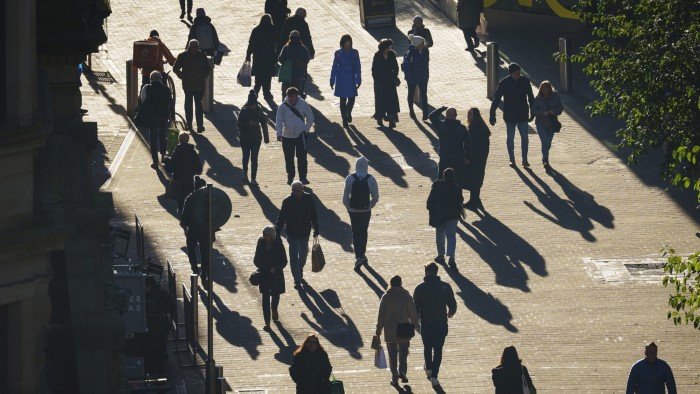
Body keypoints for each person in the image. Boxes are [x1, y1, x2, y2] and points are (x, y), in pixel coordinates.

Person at [413, 262, 456, 387]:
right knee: (438, 350)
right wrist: (450, 312)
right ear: (436, 272)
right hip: (441, 324)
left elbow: (415, 308)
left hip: (426, 324)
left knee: (427, 347)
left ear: (426, 272)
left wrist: (415, 322)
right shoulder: (445, 286)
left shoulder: (420, 288)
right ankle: (434, 375)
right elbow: (452, 304)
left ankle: (429, 368)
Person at [375, 275, 420, 386]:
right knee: (403, 352)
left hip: (390, 331)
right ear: (400, 283)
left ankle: (394, 377)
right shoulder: (406, 296)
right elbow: (413, 314)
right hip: (404, 329)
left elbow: (381, 315)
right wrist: (417, 327)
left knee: (392, 354)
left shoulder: (386, 297)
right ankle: (403, 371)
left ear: (390, 284)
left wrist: (378, 329)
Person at [489, 63, 535, 167]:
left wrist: (533, 111)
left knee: (525, 137)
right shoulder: (504, 83)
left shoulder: (525, 81)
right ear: (511, 73)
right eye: (516, 72)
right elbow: (496, 98)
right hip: (510, 115)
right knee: (510, 138)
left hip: (522, 113)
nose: (519, 74)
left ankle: (524, 159)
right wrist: (492, 113)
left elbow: (531, 97)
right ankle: (512, 159)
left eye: (519, 72)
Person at [275, 181, 319, 290]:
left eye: (300, 191)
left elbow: (314, 214)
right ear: (292, 191)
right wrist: (277, 233)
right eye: (296, 191)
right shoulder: (287, 201)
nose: (298, 193)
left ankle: (299, 269)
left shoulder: (308, 199)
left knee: (303, 254)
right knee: (294, 256)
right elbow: (281, 218)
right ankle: (297, 280)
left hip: (305, 232)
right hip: (292, 233)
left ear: (303, 190)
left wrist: (316, 229)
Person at [342, 157, 379, 270]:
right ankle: (361, 254)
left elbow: (345, 197)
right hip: (365, 211)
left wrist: (349, 208)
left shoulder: (350, 178)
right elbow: (376, 197)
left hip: (353, 211)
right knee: (363, 232)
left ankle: (358, 256)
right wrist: (369, 206)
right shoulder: (371, 179)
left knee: (355, 232)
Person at [276, 87, 315, 185]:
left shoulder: (303, 104)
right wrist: (279, 134)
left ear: (297, 96)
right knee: (289, 158)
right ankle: (290, 177)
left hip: (300, 135)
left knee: (302, 157)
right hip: (287, 136)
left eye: (294, 97)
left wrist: (305, 130)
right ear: (287, 96)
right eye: (290, 97)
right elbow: (279, 121)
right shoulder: (282, 107)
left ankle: (303, 178)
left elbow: (310, 117)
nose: (292, 99)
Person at [427, 168, 464, 269]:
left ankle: (441, 255)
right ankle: (451, 257)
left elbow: (430, 201)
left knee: (440, 235)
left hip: (439, 215)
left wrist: (431, 209)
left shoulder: (437, 186)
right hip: (452, 216)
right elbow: (460, 200)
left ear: (443, 176)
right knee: (451, 237)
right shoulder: (456, 187)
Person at [254, 226, 287, 331]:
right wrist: (262, 267)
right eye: (264, 235)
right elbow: (256, 260)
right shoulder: (261, 244)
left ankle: (274, 309)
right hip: (264, 275)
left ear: (272, 236)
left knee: (276, 295)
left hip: (276, 275)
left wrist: (275, 268)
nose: (265, 237)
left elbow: (284, 261)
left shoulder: (278, 244)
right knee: (265, 299)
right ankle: (267, 323)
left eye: (267, 235)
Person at [139, 71, 175, 168]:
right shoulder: (166, 89)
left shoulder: (147, 88)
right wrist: (173, 117)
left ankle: (155, 161)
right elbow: (171, 104)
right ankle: (163, 155)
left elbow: (142, 101)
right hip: (163, 116)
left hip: (151, 117)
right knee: (163, 135)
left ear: (151, 79)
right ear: (160, 79)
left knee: (153, 138)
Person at [173, 39, 210, 133]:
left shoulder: (202, 55)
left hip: (199, 85)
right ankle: (189, 125)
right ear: (189, 47)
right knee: (189, 104)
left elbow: (208, 68)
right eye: (193, 47)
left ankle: (200, 125)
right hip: (188, 85)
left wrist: (203, 76)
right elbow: (175, 68)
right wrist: (182, 76)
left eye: (196, 47)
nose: (195, 49)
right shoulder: (183, 56)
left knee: (198, 104)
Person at [428, 106, 471, 184]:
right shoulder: (462, 128)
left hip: (444, 158)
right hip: (458, 158)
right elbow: (468, 143)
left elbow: (431, 116)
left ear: (446, 116)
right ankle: (457, 195)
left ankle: (442, 195)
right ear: (456, 115)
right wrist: (467, 156)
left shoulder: (441, 126)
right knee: (458, 181)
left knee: (441, 181)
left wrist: (442, 108)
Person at [237, 90, 270, 186]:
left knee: (254, 158)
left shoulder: (259, 110)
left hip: (256, 138)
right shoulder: (243, 111)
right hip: (244, 139)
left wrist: (266, 138)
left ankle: (253, 178)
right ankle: (245, 175)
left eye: (254, 104)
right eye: (251, 105)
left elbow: (264, 123)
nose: (253, 106)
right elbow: (239, 124)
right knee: (245, 157)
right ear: (248, 103)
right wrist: (248, 124)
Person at [181, 176, 210, 280]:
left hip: (193, 228)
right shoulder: (209, 199)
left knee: (191, 248)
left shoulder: (190, 198)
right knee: (205, 251)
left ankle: (194, 268)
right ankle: (205, 272)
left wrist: (185, 227)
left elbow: (184, 216)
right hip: (205, 230)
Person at [142, 276, 172, 374]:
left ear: (149, 286)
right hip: (162, 325)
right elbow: (169, 307)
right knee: (159, 345)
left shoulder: (146, 296)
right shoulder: (161, 292)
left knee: (153, 344)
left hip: (155, 326)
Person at [531, 80, 563, 169]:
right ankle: (545, 159)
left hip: (552, 123)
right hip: (541, 123)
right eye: (543, 89)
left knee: (548, 143)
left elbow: (560, 108)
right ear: (541, 90)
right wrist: (542, 113)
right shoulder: (537, 98)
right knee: (544, 141)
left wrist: (554, 111)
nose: (545, 91)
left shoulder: (555, 97)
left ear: (550, 89)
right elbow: (533, 111)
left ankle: (545, 156)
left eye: (547, 89)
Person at [246, 15, 278, 103]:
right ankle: (267, 93)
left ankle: (255, 92)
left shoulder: (256, 30)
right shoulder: (272, 29)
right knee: (267, 77)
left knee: (258, 76)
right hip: (269, 58)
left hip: (258, 58)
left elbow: (251, 44)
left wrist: (248, 54)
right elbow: (278, 41)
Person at [330, 35, 361, 126]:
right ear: (342, 44)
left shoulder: (355, 52)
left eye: (349, 44)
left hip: (351, 78)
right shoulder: (338, 53)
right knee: (342, 99)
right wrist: (332, 80)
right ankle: (344, 118)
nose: (347, 46)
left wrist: (358, 79)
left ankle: (348, 111)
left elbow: (357, 66)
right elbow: (334, 67)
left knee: (352, 98)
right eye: (346, 44)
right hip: (341, 78)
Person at [463, 107, 490, 210]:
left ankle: (473, 201)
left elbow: (472, 145)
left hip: (475, 158)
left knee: (473, 179)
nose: (468, 116)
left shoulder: (474, 129)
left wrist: (467, 157)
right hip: (481, 158)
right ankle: (476, 199)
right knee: (477, 178)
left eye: (470, 114)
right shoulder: (481, 127)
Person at [169, 131, 202, 214]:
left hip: (178, 178)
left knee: (180, 196)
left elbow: (172, 166)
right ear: (188, 140)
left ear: (179, 140)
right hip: (189, 178)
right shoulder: (192, 151)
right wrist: (197, 171)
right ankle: (189, 211)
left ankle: (180, 211)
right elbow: (197, 165)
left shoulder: (176, 151)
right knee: (190, 195)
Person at [371, 39, 400, 128]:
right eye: (388, 47)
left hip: (390, 82)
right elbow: (374, 70)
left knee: (391, 101)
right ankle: (380, 117)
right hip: (380, 83)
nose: (389, 48)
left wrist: (394, 73)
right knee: (381, 101)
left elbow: (396, 67)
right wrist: (377, 81)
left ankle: (391, 120)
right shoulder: (377, 55)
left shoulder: (392, 54)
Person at [402, 35, 430, 120]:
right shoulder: (409, 53)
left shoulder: (425, 50)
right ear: (418, 45)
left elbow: (426, 63)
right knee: (411, 94)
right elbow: (405, 66)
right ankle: (411, 111)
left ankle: (425, 113)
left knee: (424, 95)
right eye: (422, 44)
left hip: (423, 77)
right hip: (412, 78)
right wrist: (410, 78)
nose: (424, 45)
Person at [278, 31, 311, 99]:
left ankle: (285, 106)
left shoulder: (286, 48)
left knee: (285, 94)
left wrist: (287, 62)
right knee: (297, 94)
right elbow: (307, 60)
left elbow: (280, 59)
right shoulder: (303, 49)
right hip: (299, 75)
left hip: (287, 75)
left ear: (290, 38)